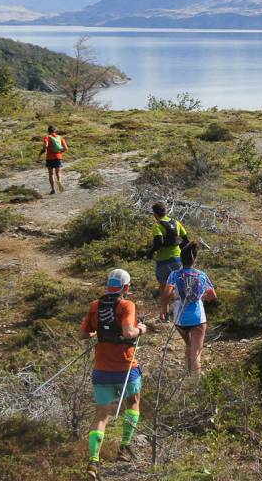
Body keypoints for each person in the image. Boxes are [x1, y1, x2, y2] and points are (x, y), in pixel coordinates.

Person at [79, 269, 147, 480]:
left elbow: (82, 335)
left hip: (101, 370)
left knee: (101, 415)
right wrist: (142, 329)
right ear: (126, 288)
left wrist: (99, 333)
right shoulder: (127, 305)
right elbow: (128, 332)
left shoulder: (95, 306)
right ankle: (124, 448)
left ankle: (93, 461)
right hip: (126, 367)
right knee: (133, 404)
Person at [160, 243, 216, 376]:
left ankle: (187, 375)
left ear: (181, 259)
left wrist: (164, 309)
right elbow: (213, 295)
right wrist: (201, 297)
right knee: (196, 352)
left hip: (180, 319)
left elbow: (167, 292)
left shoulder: (174, 275)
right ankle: (195, 386)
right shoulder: (201, 275)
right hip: (198, 317)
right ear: (194, 259)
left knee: (189, 346)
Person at [146, 201, 189, 315]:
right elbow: (186, 240)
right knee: (177, 285)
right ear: (166, 212)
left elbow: (159, 241)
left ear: (155, 214)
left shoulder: (157, 225)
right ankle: (179, 311)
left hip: (163, 260)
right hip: (178, 259)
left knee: (164, 286)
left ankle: (164, 313)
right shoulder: (176, 223)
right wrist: (178, 248)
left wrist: (150, 253)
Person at [38, 125, 68, 195]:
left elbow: (45, 146)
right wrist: (60, 152)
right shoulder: (60, 137)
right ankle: (59, 181)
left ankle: (53, 189)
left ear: (48, 131)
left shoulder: (47, 137)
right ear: (55, 130)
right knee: (58, 173)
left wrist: (41, 153)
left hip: (49, 158)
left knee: (51, 174)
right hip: (58, 157)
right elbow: (66, 148)